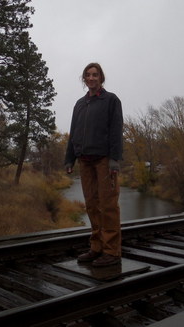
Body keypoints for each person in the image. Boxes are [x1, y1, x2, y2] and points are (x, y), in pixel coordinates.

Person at [64, 62, 123, 267]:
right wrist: (69, 159)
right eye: (88, 75)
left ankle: (111, 252)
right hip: (85, 161)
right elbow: (74, 132)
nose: (91, 78)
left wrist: (115, 160)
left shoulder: (111, 100)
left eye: (95, 75)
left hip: (105, 161)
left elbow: (116, 131)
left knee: (108, 206)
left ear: (101, 78)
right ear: (84, 79)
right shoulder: (80, 104)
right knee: (92, 206)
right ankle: (96, 247)